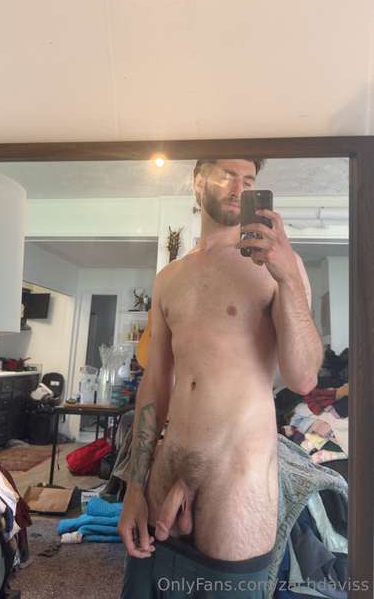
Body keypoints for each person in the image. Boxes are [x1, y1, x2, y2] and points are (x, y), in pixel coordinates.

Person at [118, 158, 324, 598]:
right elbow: (155, 383)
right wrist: (133, 486)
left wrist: (288, 275)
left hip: (237, 483)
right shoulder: (169, 278)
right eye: (227, 174)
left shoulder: (277, 267)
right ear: (198, 181)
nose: (238, 187)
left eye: (249, 180)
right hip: (166, 470)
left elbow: (304, 377)